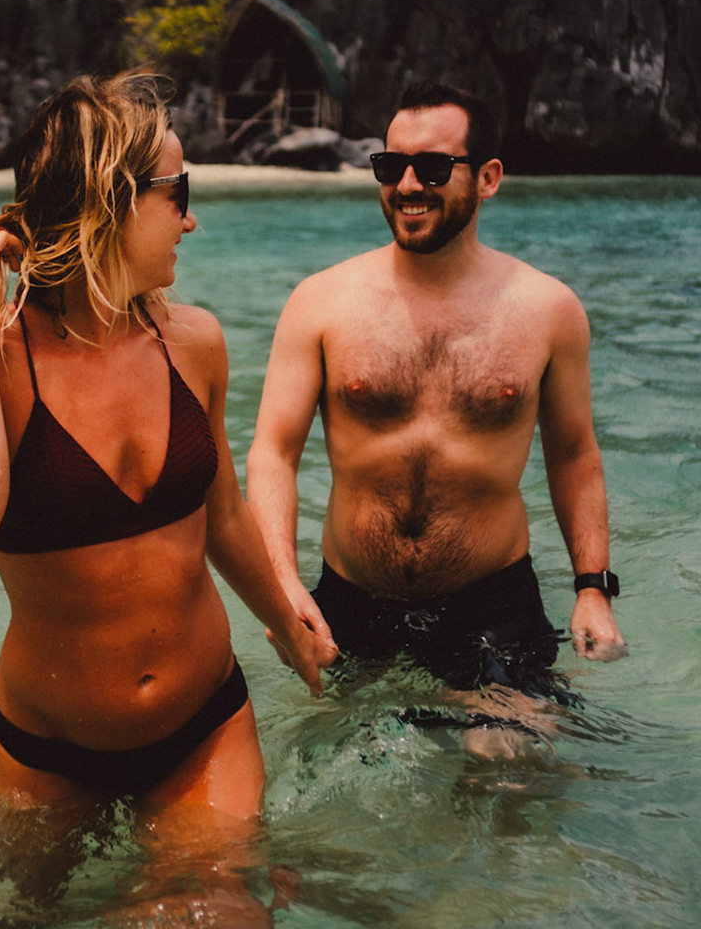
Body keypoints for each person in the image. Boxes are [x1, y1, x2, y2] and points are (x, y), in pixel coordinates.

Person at [0, 72, 336, 929]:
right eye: (179, 193)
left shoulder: (195, 343)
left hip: (203, 727)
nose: (192, 219)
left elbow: (222, 513)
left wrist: (286, 620)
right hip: (46, 752)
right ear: (112, 202)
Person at [247, 78, 625, 741]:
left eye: (431, 166)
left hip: (492, 606)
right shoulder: (320, 302)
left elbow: (574, 454)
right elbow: (274, 453)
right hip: (351, 606)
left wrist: (592, 589)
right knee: (342, 783)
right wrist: (282, 585)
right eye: (391, 165)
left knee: (508, 778)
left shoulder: (548, 310)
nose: (408, 185)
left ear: (488, 178)